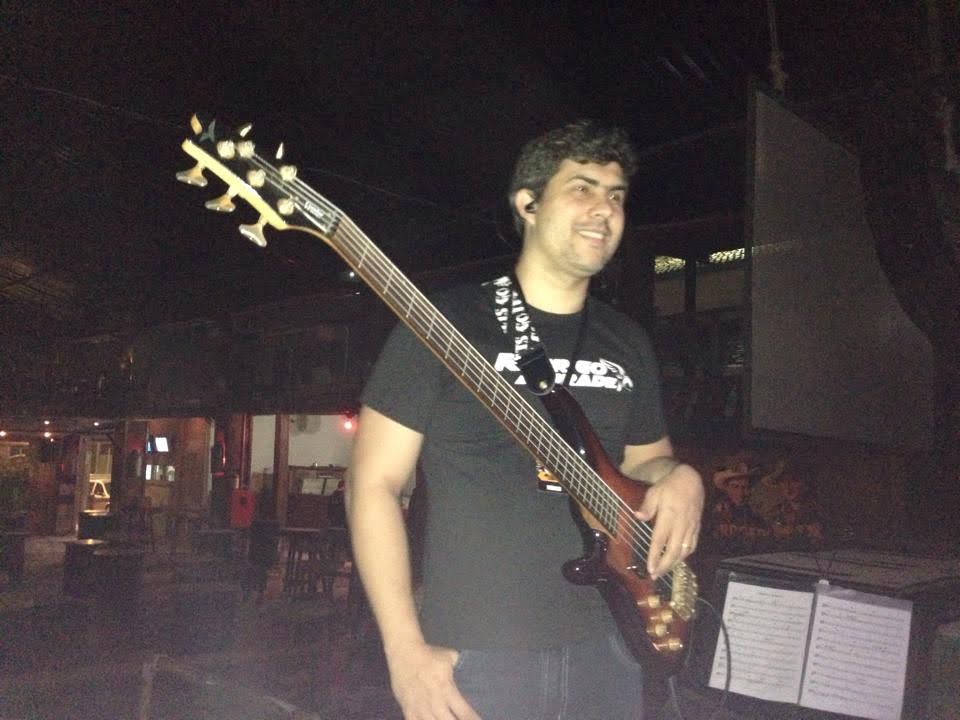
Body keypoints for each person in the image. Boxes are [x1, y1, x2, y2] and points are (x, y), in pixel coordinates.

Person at [347, 120, 704, 720]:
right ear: (528, 204)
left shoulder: (628, 341)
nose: (604, 209)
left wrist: (681, 478)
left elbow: (648, 462)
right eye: (582, 188)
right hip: (476, 656)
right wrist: (404, 651)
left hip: (612, 647)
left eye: (616, 196)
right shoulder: (442, 324)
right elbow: (373, 486)